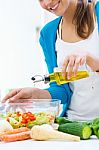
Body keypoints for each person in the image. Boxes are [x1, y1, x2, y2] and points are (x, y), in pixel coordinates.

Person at [2, 0, 99, 121]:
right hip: (74, 126)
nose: (47, 3)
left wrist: (91, 60)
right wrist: (36, 94)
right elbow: (61, 90)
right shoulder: (48, 33)